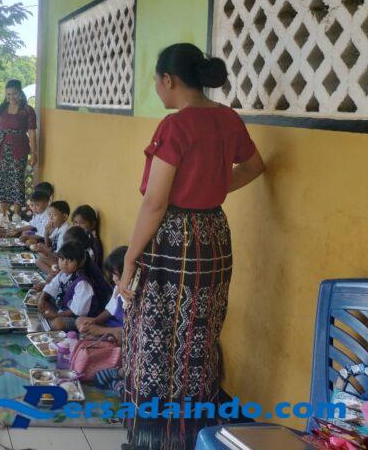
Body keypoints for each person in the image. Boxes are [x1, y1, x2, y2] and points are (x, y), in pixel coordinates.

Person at [117, 43, 265, 450]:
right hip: (213, 236)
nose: (156, 88)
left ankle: (153, 439)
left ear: (169, 80)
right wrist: (214, 187)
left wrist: (129, 259)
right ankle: (191, 435)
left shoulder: (175, 127)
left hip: (174, 241)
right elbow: (255, 167)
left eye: (156, 80)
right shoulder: (228, 118)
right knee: (199, 336)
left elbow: (155, 202)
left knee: (156, 336)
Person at [0, 80, 38, 227]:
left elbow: (32, 132)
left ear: (20, 93)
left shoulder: (27, 110)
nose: (11, 97)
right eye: (8, 94)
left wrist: (34, 153)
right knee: (0, 180)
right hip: (1, 148)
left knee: (17, 180)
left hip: (19, 148)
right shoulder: (1, 109)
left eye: (14, 94)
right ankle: (3, 215)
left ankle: (16, 215)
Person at [37, 241, 103, 331]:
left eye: (70, 260)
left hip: (78, 318)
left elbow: (76, 312)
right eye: (62, 259)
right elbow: (51, 287)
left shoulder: (83, 284)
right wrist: (42, 298)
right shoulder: (63, 273)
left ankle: (52, 320)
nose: (64, 263)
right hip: (63, 307)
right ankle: (50, 318)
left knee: (57, 324)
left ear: (80, 263)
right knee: (40, 297)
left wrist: (56, 315)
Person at [77, 246, 127, 339]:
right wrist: (95, 321)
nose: (113, 278)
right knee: (80, 321)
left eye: (116, 274)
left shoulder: (133, 295)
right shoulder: (117, 287)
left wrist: (100, 330)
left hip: (121, 332)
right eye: (112, 274)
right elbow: (109, 311)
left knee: (116, 337)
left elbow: (130, 329)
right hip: (111, 326)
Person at [34, 200, 71, 275]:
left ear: (64, 216)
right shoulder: (58, 227)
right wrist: (46, 233)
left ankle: (57, 276)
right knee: (40, 246)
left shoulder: (65, 231)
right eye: (49, 215)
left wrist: (44, 251)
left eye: (54, 215)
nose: (50, 218)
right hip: (57, 257)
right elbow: (48, 246)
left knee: (39, 260)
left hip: (63, 261)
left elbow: (58, 255)